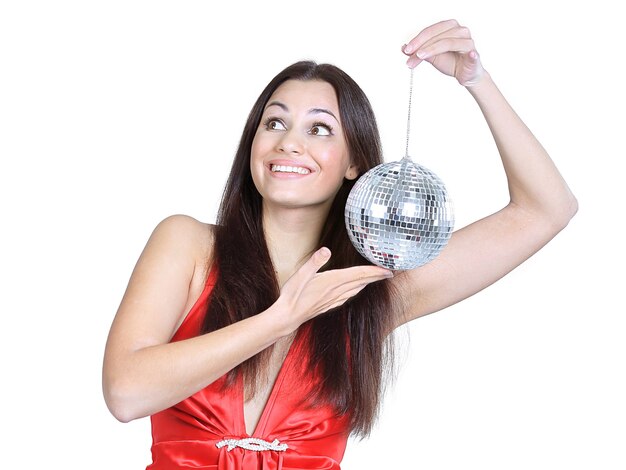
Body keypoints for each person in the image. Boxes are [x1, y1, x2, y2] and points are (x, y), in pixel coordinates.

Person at [102, 19, 577, 469]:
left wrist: (478, 80)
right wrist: (280, 319)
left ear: (354, 164)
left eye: (319, 128)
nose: (289, 143)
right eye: (274, 123)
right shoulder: (188, 244)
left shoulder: (372, 287)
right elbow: (126, 394)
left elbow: (546, 210)